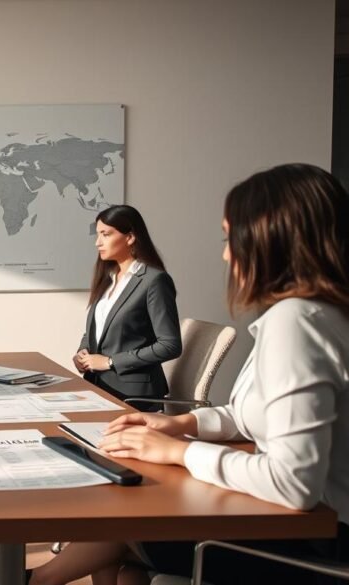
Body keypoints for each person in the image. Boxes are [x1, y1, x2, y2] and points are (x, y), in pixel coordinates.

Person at [32, 163, 349, 585]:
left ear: (270, 239)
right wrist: (181, 423)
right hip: (303, 527)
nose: (226, 253)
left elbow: (293, 485)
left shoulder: (297, 322)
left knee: (120, 519)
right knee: (122, 547)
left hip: (318, 544)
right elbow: (251, 413)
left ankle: (31, 580)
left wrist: (179, 452)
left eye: (229, 238)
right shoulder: (316, 315)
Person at [73, 204, 181, 410]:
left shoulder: (154, 281)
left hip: (132, 396)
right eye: (97, 235)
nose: (98, 243)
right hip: (98, 386)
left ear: (130, 237)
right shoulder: (109, 278)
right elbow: (97, 330)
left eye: (105, 234)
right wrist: (83, 353)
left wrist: (110, 362)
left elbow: (170, 345)